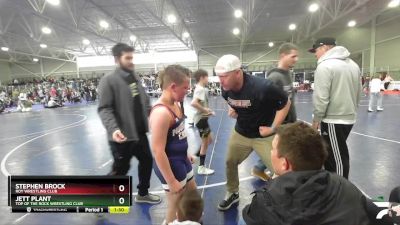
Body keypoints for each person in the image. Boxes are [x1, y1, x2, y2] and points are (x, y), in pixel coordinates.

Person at [242, 122, 374, 225]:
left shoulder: (265, 202)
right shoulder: (345, 186)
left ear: (285, 163)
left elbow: (249, 215)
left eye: (273, 149)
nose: (271, 152)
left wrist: (276, 183)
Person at [214, 54, 291, 211]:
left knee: (281, 170)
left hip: (264, 136)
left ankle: (284, 202)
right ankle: (233, 192)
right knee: (230, 161)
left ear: (238, 72)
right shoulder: (225, 90)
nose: (221, 81)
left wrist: (274, 128)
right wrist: (233, 110)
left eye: (224, 76)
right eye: (219, 76)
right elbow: (234, 103)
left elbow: (285, 103)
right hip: (241, 132)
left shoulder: (263, 87)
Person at [97, 43, 161, 204]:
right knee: (120, 171)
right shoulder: (108, 80)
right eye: (128, 58)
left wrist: (152, 113)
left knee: (147, 161)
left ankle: (143, 193)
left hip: (139, 133)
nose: (132, 61)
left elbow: (143, 100)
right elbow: (104, 109)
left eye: (132, 57)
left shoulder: (134, 77)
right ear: (117, 59)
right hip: (122, 136)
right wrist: (113, 129)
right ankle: (98, 199)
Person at [149, 65, 197, 223]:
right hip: (170, 165)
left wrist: (186, 153)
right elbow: (157, 151)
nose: (188, 90)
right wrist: (171, 181)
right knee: (175, 205)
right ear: (173, 87)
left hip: (182, 159)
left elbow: (179, 133)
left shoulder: (176, 104)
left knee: (191, 199)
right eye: (185, 87)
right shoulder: (161, 113)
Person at [310, 37, 362, 179]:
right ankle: (332, 183)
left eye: (316, 50)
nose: (315, 54)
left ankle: (340, 190)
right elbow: (359, 92)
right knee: (332, 153)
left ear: (325, 48)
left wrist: (316, 120)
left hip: (333, 119)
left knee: (337, 157)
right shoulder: (353, 64)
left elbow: (321, 97)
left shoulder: (325, 66)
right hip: (348, 117)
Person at [251, 42, 298, 181]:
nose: (296, 59)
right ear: (283, 55)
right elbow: (266, 102)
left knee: (285, 150)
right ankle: (278, 178)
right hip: (282, 123)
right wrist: (273, 127)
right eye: (293, 56)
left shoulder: (287, 74)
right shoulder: (274, 78)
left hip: (290, 120)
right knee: (284, 151)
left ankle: (259, 168)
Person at [190, 69, 215, 175]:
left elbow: (199, 104)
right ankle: (201, 167)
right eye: (207, 77)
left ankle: (195, 156)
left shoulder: (201, 89)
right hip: (201, 121)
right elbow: (194, 103)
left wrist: (206, 111)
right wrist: (206, 110)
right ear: (201, 77)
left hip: (203, 119)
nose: (208, 79)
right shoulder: (200, 89)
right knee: (205, 143)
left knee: (209, 140)